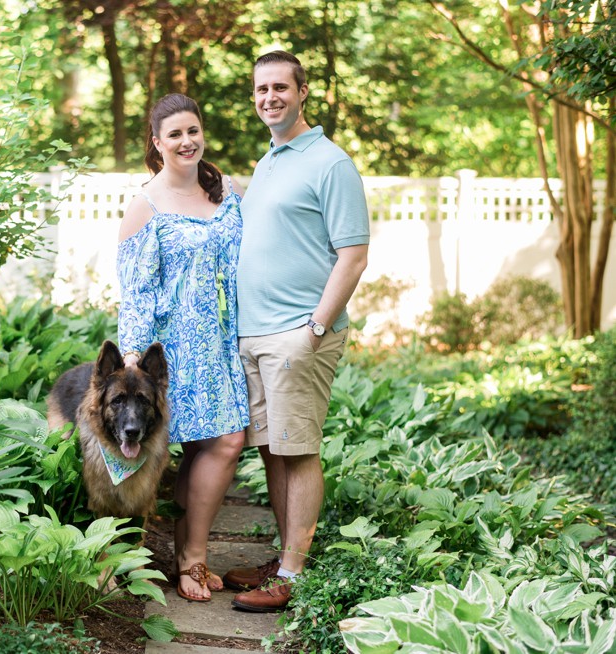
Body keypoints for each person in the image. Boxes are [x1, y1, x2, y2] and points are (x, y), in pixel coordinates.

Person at [224, 51, 370, 613]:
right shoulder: (269, 162)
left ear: (303, 92)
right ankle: (283, 559)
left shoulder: (330, 163)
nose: (269, 98)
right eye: (261, 89)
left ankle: (293, 574)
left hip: (297, 333)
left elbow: (353, 256)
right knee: (272, 452)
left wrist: (315, 326)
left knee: (298, 450)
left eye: (280, 87)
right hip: (255, 334)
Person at [117, 93, 249, 603]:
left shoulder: (226, 191)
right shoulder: (144, 206)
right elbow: (136, 292)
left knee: (222, 443)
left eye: (192, 131)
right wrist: (132, 357)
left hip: (220, 342)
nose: (186, 141)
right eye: (174, 134)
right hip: (168, 352)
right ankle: (139, 559)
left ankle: (192, 557)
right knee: (168, 451)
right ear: (156, 143)